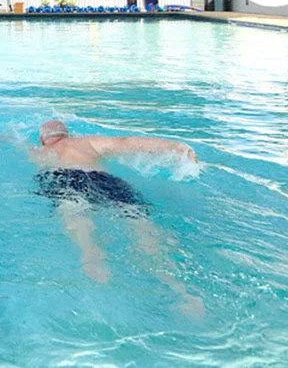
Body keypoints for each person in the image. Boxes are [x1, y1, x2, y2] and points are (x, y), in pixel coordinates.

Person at [29, 119, 203, 316]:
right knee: (140, 224)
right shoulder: (86, 142)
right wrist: (176, 147)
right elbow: (126, 142)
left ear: (42, 139)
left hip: (64, 180)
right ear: (69, 134)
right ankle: (180, 290)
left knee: (76, 218)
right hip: (103, 181)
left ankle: (92, 257)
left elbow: (16, 144)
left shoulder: (37, 152)